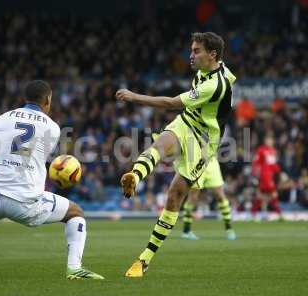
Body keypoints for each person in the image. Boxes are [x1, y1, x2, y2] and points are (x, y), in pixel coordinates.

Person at [0, 80, 104, 280]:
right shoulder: (53, 128)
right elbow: (41, 161)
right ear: (48, 100)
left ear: (26, 98)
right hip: (27, 202)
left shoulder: (3, 119)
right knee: (76, 212)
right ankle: (74, 268)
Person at [116, 32, 236, 277]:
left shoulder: (214, 85)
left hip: (203, 143)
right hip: (186, 123)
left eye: (196, 51)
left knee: (175, 197)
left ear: (212, 54)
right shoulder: (215, 68)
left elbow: (171, 103)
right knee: (160, 146)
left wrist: (134, 97)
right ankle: (135, 178)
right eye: (191, 50)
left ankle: (144, 259)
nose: (190, 55)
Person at [181, 157, 236, 240]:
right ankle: (186, 230)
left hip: (211, 163)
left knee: (220, 196)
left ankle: (229, 229)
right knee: (193, 197)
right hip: (195, 163)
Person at [251, 135, 282, 220]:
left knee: (262, 196)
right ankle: (280, 214)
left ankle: (253, 213)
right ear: (265, 141)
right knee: (273, 195)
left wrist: (278, 172)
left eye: (271, 140)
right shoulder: (261, 150)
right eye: (268, 140)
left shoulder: (273, 151)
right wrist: (255, 173)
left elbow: (274, 165)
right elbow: (256, 162)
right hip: (264, 175)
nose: (270, 142)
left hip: (271, 176)